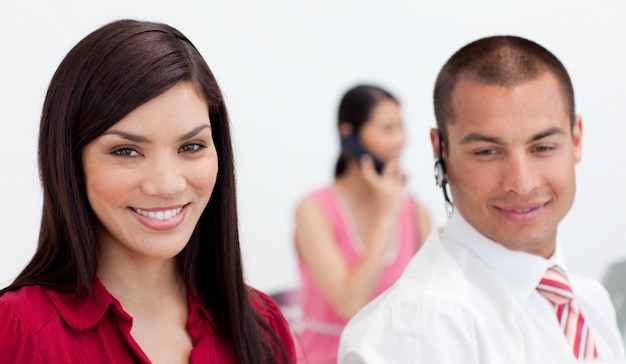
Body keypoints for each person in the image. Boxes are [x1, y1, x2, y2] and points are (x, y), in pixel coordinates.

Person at [0, 19, 295, 363]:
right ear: (71, 162)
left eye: (191, 146)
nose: (166, 185)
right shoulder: (19, 331)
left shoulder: (261, 325)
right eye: (127, 151)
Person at [338, 36, 626, 363]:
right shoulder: (419, 330)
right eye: (487, 152)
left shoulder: (592, 301)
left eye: (543, 147)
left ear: (576, 138)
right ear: (440, 151)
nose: (521, 183)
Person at [294, 84, 432, 363]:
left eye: (400, 127)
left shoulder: (417, 213)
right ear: (349, 135)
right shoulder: (313, 209)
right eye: (386, 128)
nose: (399, 140)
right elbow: (350, 304)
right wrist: (385, 215)